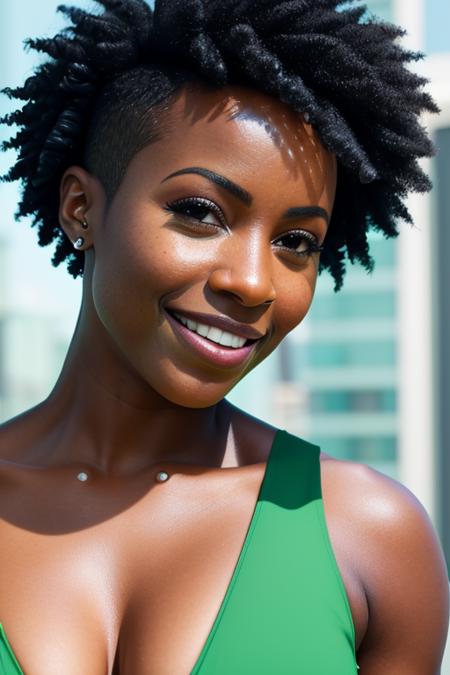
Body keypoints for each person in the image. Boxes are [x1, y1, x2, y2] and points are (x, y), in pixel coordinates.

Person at [0, 0, 448, 672]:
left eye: (296, 242)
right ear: (81, 207)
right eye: (200, 212)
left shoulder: (368, 535)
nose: (254, 282)